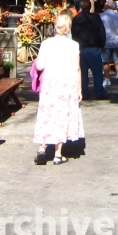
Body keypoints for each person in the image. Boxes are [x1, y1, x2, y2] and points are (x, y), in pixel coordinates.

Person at [33, 9, 84, 165]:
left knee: (47, 113)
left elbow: (40, 66)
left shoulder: (46, 44)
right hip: (66, 84)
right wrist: (79, 89)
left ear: (56, 26)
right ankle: (57, 154)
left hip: (50, 83)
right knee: (62, 115)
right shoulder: (74, 45)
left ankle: (42, 147)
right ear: (68, 28)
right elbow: (76, 68)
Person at [70, 0, 106, 99]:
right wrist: (102, 44)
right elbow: (101, 31)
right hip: (94, 47)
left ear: (81, 7)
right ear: (90, 7)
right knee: (97, 72)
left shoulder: (76, 19)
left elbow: (74, 34)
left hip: (81, 48)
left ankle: (84, 92)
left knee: (83, 72)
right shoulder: (95, 17)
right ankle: (99, 92)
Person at [99, 0, 118, 87]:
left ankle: (107, 78)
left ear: (106, 6)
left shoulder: (101, 16)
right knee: (116, 61)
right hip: (116, 41)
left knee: (105, 61)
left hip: (105, 42)